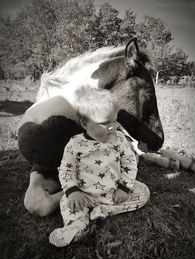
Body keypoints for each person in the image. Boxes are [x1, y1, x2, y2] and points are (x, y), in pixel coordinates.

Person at [49, 87, 150, 247]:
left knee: (143, 192)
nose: (112, 127)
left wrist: (124, 188)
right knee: (66, 201)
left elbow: (130, 164)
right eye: (104, 122)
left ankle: (103, 211)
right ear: (84, 124)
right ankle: (75, 225)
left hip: (113, 192)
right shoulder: (75, 144)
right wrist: (72, 191)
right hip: (85, 195)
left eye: (114, 120)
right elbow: (66, 170)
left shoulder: (120, 140)